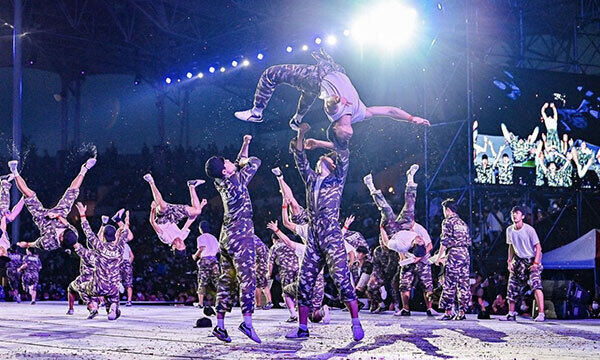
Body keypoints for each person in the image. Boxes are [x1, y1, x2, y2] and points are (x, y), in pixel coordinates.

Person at [234, 48, 429, 141]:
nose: (347, 138)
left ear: (335, 128)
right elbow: (389, 111)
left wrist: (336, 100)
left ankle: (256, 112)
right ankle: (297, 119)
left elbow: (329, 104)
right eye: (348, 138)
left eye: (342, 138)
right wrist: (412, 118)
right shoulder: (361, 114)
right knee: (309, 94)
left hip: (320, 76)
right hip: (336, 69)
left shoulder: (334, 114)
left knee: (272, 74)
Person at [286, 123, 363, 341]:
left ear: (332, 163)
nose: (321, 159)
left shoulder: (337, 179)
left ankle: (355, 323)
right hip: (314, 237)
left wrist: (319, 143)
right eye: (320, 158)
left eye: (325, 158)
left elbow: (343, 151)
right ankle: (302, 328)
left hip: (331, 235)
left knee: (341, 279)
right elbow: (299, 157)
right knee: (304, 283)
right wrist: (301, 134)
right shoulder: (311, 179)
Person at [204, 135, 261, 343]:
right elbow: (255, 161)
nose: (231, 161)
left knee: (226, 280)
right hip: (241, 235)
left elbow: (237, 165)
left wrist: (244, 144)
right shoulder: (236, 181)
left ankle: (220, 326)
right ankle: (247, 322)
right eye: (227, 162)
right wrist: (245, 158)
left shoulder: (221, 181)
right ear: (226, 170)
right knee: (247, 279)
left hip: (226, 236)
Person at [9, 158, 96, 251]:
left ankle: (14, 172)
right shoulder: (73, 234)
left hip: (43, 220)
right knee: (72, 192)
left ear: (61, 238)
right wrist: (57, 216)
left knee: (29, 195)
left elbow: (35, 244)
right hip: (59, 214)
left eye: (63, 232)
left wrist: (26, 244)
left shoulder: (48, 244)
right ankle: (84, 169)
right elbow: (66, 224)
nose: (63, 231)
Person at [267, 220, 329, 325]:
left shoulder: (303, 248)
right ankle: (322, 311)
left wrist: (277, 230)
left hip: (306, 282)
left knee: (286, 291)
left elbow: (288, 241)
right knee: (313, 316)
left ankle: (293, 315)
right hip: (319, 284)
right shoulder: (323, 251)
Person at [73, 202, 127, 321]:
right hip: (113, 287)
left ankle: (92, 307)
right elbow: (125, 233)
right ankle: (113, 306)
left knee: (80, 287)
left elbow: (88, 232)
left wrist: (82, 214)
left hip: (99, 286)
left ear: (103, 237)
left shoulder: (100, 246)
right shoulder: (120, 248)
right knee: (113, 295)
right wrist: (126, 221)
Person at [144, 175, 207, 255]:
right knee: (197, 211)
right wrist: (200, 207)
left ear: (173, 247)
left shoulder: (166, 239)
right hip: (173, 217)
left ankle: (151, 182)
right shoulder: (182, 237)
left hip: (162, 219)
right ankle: (192, 185)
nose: (181, 242)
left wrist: (152, 209)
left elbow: (152, 222)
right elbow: (190, 221)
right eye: (183, 244)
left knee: (162, 206)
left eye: (179, 245)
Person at [505, 205, 545, 322]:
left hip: (531, 258)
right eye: (513, 213)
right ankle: (511, 313)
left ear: (522, 216)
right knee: (512, 285)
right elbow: (511, 246)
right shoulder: (509, 230)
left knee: (536, 284)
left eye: (517, 213)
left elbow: (538, 247)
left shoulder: (529, 230)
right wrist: (509, 261)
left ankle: (541, 313)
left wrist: (536, 263)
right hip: (518, 259)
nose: (514, 215)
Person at [435, 198, 471, 321]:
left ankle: (448, 312)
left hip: (454, 254)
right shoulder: (462, 223)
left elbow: (444, 241)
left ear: (448, 210)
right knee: (464, 284)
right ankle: (462, 312)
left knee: (450, 283)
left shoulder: (447, 221)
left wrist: (439, 257)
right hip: (465, 253)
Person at [267, 232, 300, 322]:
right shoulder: (290, 244)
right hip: (298, 270)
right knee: (298, 290)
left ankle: (293, 315)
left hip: (286, 271)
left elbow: (270, 262)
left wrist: (268, 274)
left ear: (274, 240)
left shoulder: (274, 247)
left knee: (286, 292)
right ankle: (301, 313)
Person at [192, 220, 220, 311]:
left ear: (200, 229)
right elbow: (219, 250)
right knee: (217, 282)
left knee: (202, 281)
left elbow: (201, 248)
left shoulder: (201, 237)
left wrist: (195, 256)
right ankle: (219, 303)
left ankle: (200, 303)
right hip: (214, 260)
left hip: (205, 261)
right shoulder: (214, 238)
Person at [253, 235, 273, 310]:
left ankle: (258, 304)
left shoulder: (252, 243)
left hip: (259, 266)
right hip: (265, 266)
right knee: (265, 284)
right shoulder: (263, 245)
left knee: (257, 285)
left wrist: (255, 266)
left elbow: (255, 257)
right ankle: (269, 302)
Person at [121, 241, 134, 306]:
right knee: (129, 284)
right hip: (126, 263)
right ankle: (129, 301)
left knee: (114, 282)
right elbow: (132, 256)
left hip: (118, 263)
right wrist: (128, 263)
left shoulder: (115, 244)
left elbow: (132, 256)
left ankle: (113, 301)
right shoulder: (126, 245)